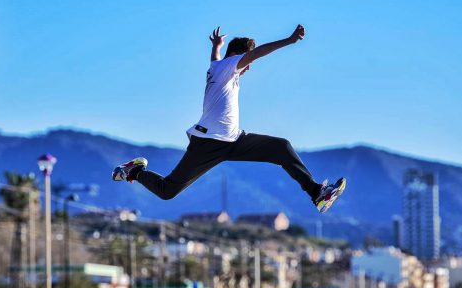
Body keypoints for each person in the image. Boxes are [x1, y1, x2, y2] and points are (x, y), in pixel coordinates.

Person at [113, 25, 347, 213]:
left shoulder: (219, 66)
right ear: (240, 57)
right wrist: (289, 40)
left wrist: (216, 46)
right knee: (167, 191)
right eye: (248, 62)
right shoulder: (227, 66)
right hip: (209, 143)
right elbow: (255, 53)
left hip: (234, 140)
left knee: (281, 147)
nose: (249, 68)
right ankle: (134, 171)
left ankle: (317, 193)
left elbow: (215, 58)